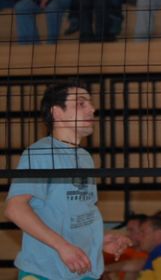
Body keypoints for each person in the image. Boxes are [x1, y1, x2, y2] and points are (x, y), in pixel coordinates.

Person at [4, 81, 131, 279]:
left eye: (90, 103)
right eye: (81, 103)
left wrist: (98, 242)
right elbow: (15, 209)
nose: (92, 109)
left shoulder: (85, 157)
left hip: (83, 271)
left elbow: (77, 213)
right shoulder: (41, 153)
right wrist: (62, 246)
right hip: (46, 273)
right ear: (57, 112)